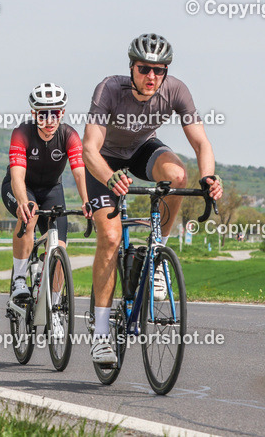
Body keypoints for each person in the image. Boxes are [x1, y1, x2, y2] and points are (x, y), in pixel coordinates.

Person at [83, 33, 223, 365]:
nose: (152, 77)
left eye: (159, 70)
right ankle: (101, 334)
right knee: (112, 237)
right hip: (104, 162)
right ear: (131, 67)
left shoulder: (176, 90)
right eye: (144, 69)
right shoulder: (109, 89)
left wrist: (209, 177)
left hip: (142, 150)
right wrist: (109, 177)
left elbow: (202, 144)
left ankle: (157, 251)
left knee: (177, 176)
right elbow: (89, 148)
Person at [4, 83, 88, 303]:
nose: (50, 120)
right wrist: (23, 201)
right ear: (34, 114)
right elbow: (17, 175)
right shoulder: (22, 133)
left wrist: (87, 200)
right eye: (43, 115)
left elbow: (79, 172)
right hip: (21, 187)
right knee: (28, 216)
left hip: (52, 190)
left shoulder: (69, 135)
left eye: (55, 114)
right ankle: (19, 280)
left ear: (62, 114)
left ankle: (56, 304)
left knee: (60, 249)